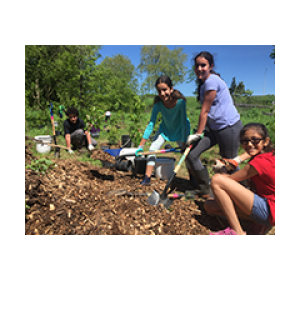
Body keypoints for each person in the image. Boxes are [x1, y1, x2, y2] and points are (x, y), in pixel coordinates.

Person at [185, 51, 243, 198]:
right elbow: (211, 113)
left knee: (229, 164)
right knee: (192, 155)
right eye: (197, 65)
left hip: (228, 127)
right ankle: (204, 189)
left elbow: (204, 111)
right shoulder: (205, 83)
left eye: (203, 65)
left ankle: (244, 194)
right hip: (214, 128)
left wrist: (198, 134)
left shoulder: (211, 81)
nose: (199, 68)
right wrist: (202, 130)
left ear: (210, 66)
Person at [204, 123, 275, 235]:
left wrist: (222, 169)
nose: (250, 144)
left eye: (255, 140)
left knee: (217, 180)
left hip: (268, 209)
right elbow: (251, 152)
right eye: (245, 141)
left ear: (265, 141)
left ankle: (237, 232)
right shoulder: (269, 154)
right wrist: (237, 160)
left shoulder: (260, 162)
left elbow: (229, 180)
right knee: (210, 206)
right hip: (269, 208)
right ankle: (260, 224)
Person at [136, 75, 191, 186]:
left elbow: (184, 123)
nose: (162, 94)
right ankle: (147, 178)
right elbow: (151, 124)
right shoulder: (159, 104)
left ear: (171, 88)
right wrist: (141, 146)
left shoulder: (180, 103)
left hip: (180, 131)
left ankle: (193, 178)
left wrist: (184, 142)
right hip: (165, 130)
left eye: (164, 90)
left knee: (187, 155)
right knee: (152, 149)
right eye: (159, 91)